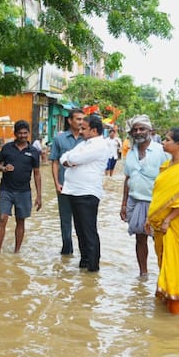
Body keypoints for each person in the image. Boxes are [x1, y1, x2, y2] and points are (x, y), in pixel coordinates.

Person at [146, 128, 179, 315]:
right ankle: (167, 301)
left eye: (167, 140)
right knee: (165, 261)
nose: (163, 142)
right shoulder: (168, 165)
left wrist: (168, 219)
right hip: (162, 224)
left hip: (177, 224)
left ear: (178, 145)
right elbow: (160, 196)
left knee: (178, 262)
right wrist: (150, 218)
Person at [59, 115, 109, 272]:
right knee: (80, 230)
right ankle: (85, 262)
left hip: (87, 193)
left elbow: (73, 157)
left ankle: (93, 267)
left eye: (84, 128)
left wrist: (70, 160)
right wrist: (69, 161)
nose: (80, 131)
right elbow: (64, 157)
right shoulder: (85, 143)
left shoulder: (99, 145)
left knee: (88, 231)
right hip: (75, 191)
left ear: (94, 130)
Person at [121, 115, 169, 278]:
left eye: (142, 129)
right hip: (135, 200)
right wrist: (123, 204)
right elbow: (127, 178)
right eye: (135, 130)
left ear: (150, 131)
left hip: (157, 202)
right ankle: (143, 273)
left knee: (160, 240)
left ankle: (164, 273)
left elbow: (172, 175)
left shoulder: (162, 150)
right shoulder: (131, 151)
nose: (138, 132)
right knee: (140, 239)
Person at [0, 120, 42, 253]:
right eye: (20, 133)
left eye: (25, 133)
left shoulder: (33, 152)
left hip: (24, 192)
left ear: (28, 134)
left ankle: (17, 252)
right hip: (6, 190)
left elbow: (37, 174)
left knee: (20, 221)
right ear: (15, 134)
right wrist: (3, 168)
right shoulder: (7, 148)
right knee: (2, 218)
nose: (22, 135)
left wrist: (39, 196)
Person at [49, 109, 85, 255]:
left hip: (83, 187)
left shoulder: (87, 140)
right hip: (64, 186)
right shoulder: (60, 139)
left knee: (82, 220)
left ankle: (84, 251)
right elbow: (55, 162)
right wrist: (56, 183)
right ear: (70, 121)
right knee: (65, 219)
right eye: (78, 119)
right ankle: (67, 249)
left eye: (83, 119)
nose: (81, 122)